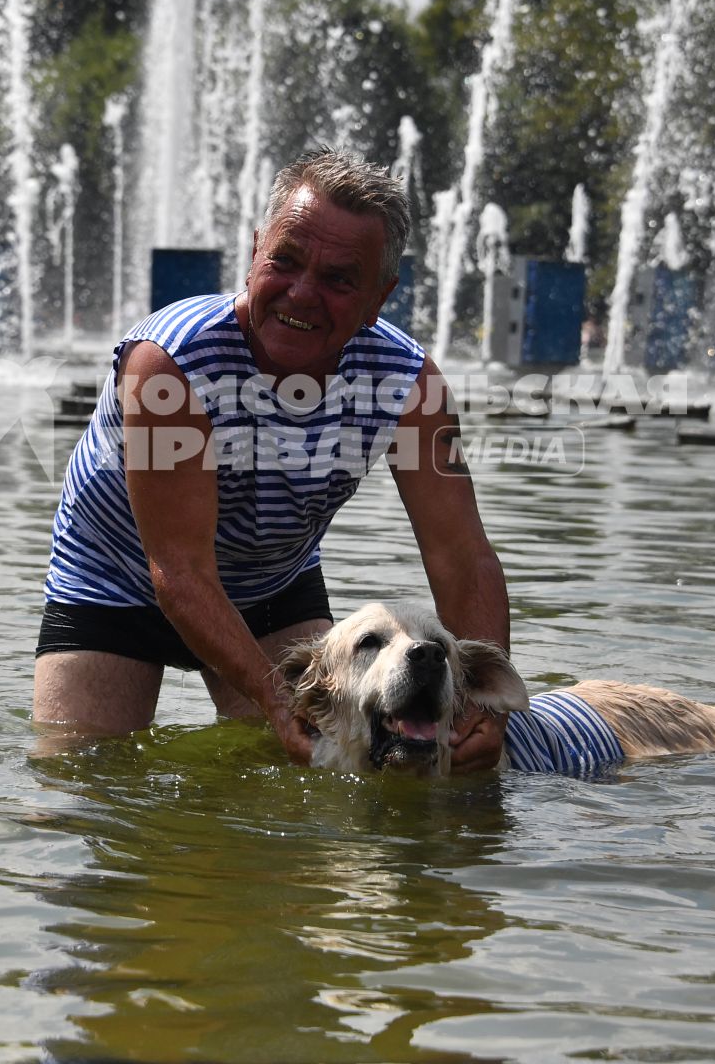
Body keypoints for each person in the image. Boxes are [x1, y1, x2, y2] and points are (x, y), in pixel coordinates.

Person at [33, 148, 510, 770]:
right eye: (284, 261)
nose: (302, 294)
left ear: (380, 296)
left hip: (270, 582)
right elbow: (178, 570)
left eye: (340, 279)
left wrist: (487, 706)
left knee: (302, 784)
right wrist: (275, 698)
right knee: (76, 783)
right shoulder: (170, 366)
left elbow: (462, 557)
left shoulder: (408, 385)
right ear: (255, 252)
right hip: (113, 582)